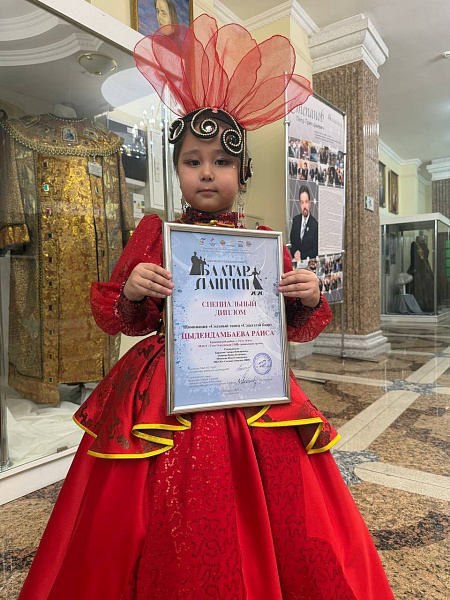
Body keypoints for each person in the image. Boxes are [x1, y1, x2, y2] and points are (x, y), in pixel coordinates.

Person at [19, 15, 394, 600]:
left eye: (221, 161)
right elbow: (119, 317)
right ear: (177, 171)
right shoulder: (155, 233)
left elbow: (293, 326)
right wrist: (135, 289)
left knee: (284, 504)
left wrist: (308, 296)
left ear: (242, 173)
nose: (207, 173)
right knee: (155, 506)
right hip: (171, 383)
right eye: (192, 161)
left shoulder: (264, 240)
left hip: (251, 377)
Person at [290, 185, 319, 260]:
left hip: (309, 265)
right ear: (300, 204)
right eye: (302, 202)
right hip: (296, 263)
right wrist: (295, 252)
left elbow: (315, 250)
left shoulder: (315, 225)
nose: (304, 206)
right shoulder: (295, 221)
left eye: (306, 202)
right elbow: (292, 244)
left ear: (309, 203)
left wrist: (302, 256)